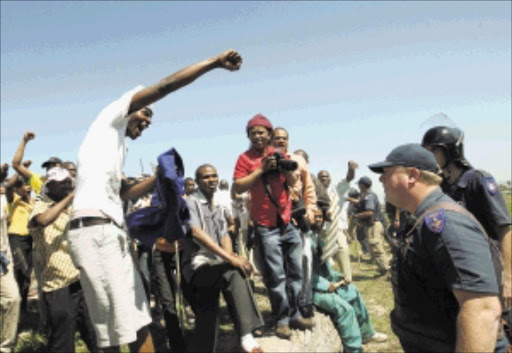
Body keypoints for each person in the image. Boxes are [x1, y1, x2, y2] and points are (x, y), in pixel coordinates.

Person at [67, 49, 243, 352]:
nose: (148, 120)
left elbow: (123, 194)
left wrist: (160, 177)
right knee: (123, 326)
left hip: (106, 232)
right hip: (96, 232)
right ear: (131, 105)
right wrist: (213, 63)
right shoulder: (110, 118)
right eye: (145, 111)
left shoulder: (113, 147)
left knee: (127, 321)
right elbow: (164, 86)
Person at [369, 143, 509, 353]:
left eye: (387, 172)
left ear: (412, 175)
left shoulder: (445, 224)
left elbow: (482, 310)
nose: (380, 179)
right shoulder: (422, 219)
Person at [233, 114, 314, 339]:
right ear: (248, 136)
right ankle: (282, 320)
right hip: (265, 226)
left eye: (262, 132)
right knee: (276, 276)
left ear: (269, 135)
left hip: (287, 223)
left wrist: (284, 168)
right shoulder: (244, 158)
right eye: (253, 132)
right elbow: (238, 187)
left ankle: (296, 312)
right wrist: (260, 170)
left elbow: (293, 182)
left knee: (297, 272)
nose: (258, 136)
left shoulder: (279, 154)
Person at [422, 126, 512, 326]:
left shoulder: (477, 180)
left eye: (433, 151)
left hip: (490, 265)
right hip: (464, 269)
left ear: (450, 151)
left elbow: (504, 229)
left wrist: (509, 279)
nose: (428, 157)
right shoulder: (442, 188)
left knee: (499, 325)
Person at [183, 164, 264, 353]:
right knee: (234, 273)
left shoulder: (218, 204)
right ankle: (246, 336)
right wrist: (231, 260)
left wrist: (229, 258)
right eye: (206, 177)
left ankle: (203, 347)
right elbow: (196, 232)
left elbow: (225, 235)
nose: (212, 180)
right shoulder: (190, 202)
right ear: (197, 182)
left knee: (207, 309)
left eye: (215, 175)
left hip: (215, 263)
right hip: (197, 265)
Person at [29, 167, 97, 353]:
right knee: (63, 339)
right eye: (62, 182)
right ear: (49, 185)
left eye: (69, 181)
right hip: (58, 284)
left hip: (80, 277)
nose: (67, 185)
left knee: (94, 333)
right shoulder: (40, 205)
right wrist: (70, 198)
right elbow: (43, 220)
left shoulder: (73, 207)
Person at [309, 207, 387, 352]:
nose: (319, 219)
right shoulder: (303, 241)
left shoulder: (316, 237)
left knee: (353, 292)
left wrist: (337, 277)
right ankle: (354, 349)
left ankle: (366, 334)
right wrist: (327, 285)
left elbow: (323, 266)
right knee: (345, 309)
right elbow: (303, 275)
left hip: (321, 282)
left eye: (321, 216)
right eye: (315, 216)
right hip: (308, 290)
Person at [270, 128, 317, 318]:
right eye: (277, 138)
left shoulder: (299, 162)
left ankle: (304, 301)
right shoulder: (265, 162)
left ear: (288, 141)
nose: (281, 141)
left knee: (304, 260)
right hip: (274, 223)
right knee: (278, 268)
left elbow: (309, 189)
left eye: (284, 138)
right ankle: (284, 310)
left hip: (298, 220)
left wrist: (311, 211)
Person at [347, 176, 389, 276]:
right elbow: (360, 202)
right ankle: (382, 269)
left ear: (362, 185)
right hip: (370, 225)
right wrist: (349, 199)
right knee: (373, 247)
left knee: (376, 248)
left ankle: (386, 271)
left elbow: (369, 212)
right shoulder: (366, 195)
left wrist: (356, 216)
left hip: (373, 225)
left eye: (359, 184)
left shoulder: (369, 196)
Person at [5, 172, 33, 314]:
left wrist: (28, 197)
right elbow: (9, 185)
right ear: (18, 188)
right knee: (19, 270)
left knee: (27, 273)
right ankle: (12, 304)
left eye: (28, 186)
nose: (26, 188)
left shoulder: (32, 202)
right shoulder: (13, 199)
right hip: (16, 238)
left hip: (30, 239)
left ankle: (23, 307)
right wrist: (21, 169)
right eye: (23, 186)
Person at [0, 164, 21, 353]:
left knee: (13, 299)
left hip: (3, 260)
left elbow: (11, 183)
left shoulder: (2, 196)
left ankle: (5, 348)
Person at [11, 131, 62, 195]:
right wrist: (24, 141)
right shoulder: (39, 179)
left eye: (53, 166)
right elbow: (16, 164)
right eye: (48, 167)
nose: (50, 169)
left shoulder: (68, 183)